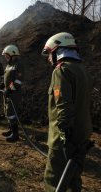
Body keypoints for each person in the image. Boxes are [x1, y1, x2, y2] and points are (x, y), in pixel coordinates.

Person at [42, 32, 93, 191]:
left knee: (53, 180)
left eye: (50, 54)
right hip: (82, 135)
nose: (49, 58)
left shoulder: (61, 71)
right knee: (73, 180)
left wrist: (65, 139)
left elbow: (64, 107)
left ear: (58, 50)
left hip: (64, 139)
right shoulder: (82, 69)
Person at [2, 45, 24, 142]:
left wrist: (10, 90)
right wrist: (1, 85)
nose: (5, 58)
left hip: (14, 93)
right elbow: (7, 79)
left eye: (7, 56)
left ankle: (15, 135)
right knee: (7, 111)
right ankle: (11, 130)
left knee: (11, 113)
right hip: (8, 92)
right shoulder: (9, 65)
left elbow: (18, 81)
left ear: (13, 55)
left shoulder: (18, 65)